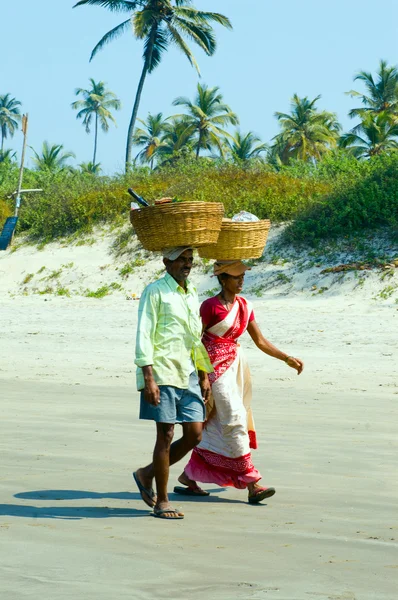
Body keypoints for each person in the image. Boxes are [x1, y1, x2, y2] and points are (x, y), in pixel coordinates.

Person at [175, 260, 304, 504]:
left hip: (235, 368)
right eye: (236, 277)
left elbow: (260, 341)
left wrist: (286, 358)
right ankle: (252, 482)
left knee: (215, 424)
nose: (241, 280)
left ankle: (189, 475)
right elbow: (195, 341)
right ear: (223, 279)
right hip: (214, 371)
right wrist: (202, 375)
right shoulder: (210, 306)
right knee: (234, 418)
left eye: (242, 276)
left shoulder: (245, 306)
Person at [133, 247, 213, 520]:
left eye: (190, 260)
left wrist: (203, 373)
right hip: (163, 371)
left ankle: (146, 473)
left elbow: (195, 336)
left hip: (188, 371)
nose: (187, 264)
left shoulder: (191, 292)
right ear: (166, 261)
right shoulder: (155, 291)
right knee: (165, 435)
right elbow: (144, 333)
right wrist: (148, 377)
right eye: (182, 259)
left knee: (194, 434)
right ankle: (162, 501)